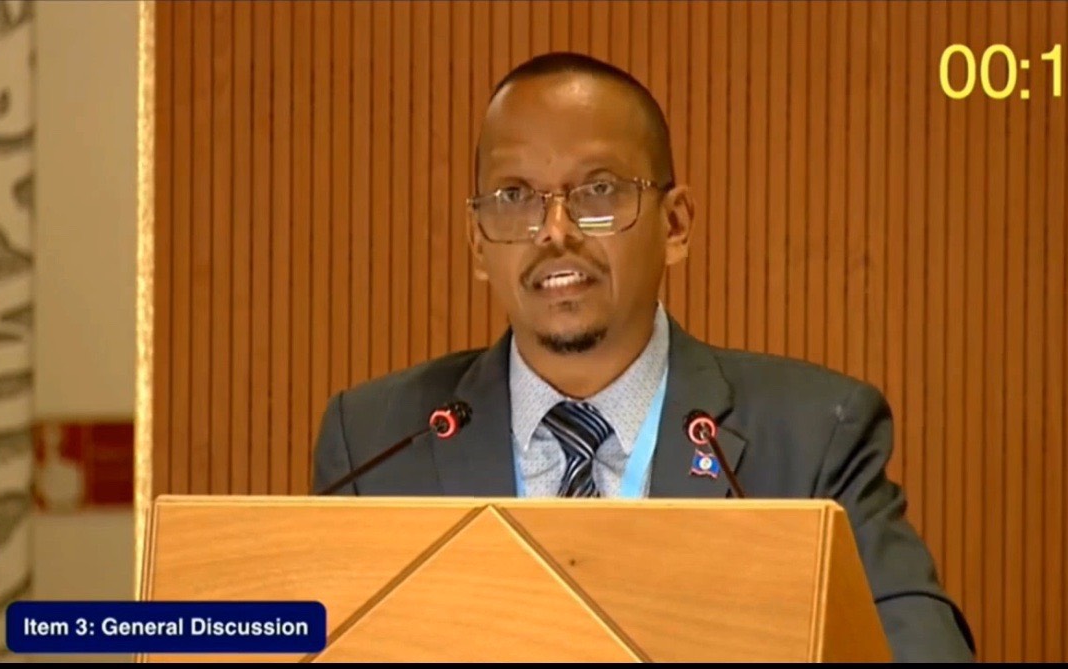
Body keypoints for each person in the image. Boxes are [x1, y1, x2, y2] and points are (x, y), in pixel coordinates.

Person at [312, 51, 975, 663]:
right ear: (479, 242)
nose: (555, 231)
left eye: (598, 192)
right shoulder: (374, 443)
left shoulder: (812, 439)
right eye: (515, 198)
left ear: (675, 225)